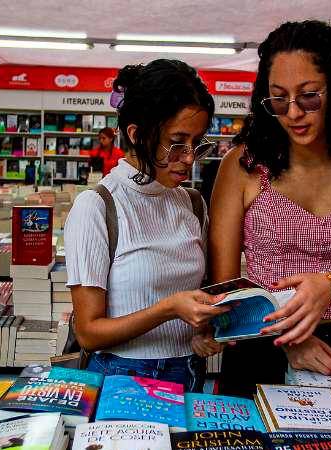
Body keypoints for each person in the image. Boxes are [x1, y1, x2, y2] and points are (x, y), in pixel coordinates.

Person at [209, 20, 331, 396]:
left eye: (309, 96)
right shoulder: (243, 166)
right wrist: (290, 339)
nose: (294, 113)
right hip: (260, 345)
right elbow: (225, 287)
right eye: (279, 99)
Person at [65, 59, 226, 393]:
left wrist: (202, 331)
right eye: (177, 142)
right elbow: (89, 332)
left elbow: (201, 292)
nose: (189, 157)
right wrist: (168, 309)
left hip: (189, 372)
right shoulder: (97, 206)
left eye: (197, 142)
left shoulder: (192, 203)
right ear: (138, 134)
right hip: (122, 376)